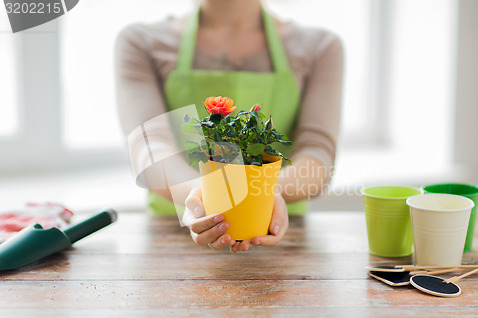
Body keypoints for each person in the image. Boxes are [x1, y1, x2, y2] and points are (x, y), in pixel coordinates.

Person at [115, 0, 343, 252]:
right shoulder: (142, 42)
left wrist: (265, 193)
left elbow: (317, 156)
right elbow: (149, 148)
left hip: (281, 240)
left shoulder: (319, 47)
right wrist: (203, 195)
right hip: (171, 237)